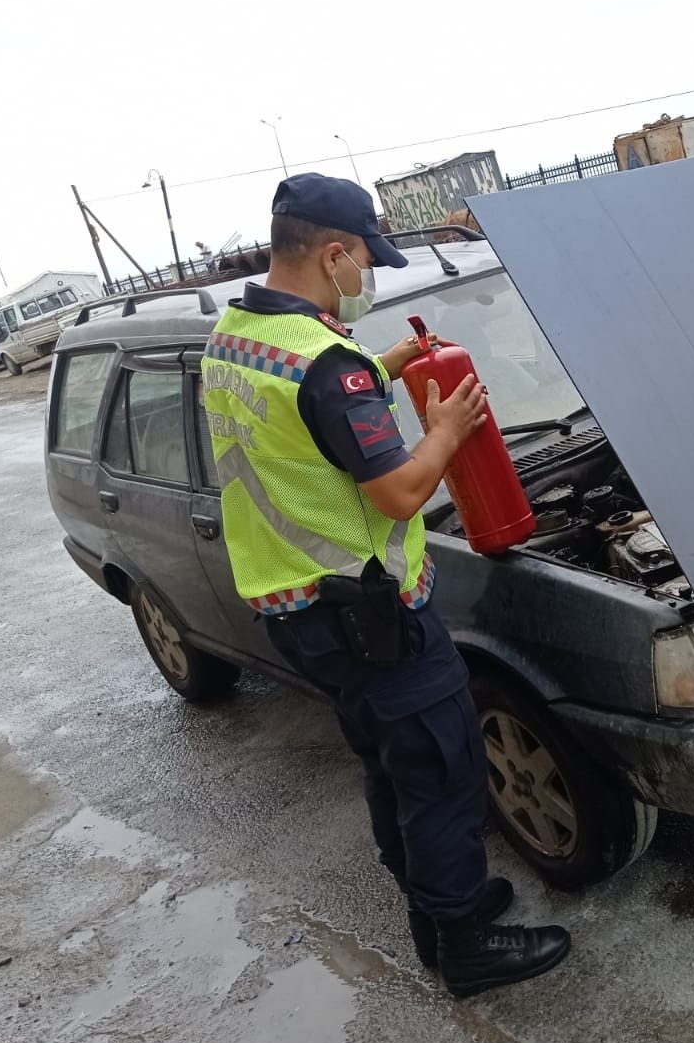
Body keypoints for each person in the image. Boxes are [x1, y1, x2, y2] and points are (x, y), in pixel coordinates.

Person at [200, 173, 570, 997]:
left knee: (389, 764)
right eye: (365, 256)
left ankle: (435, 910)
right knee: (441, 769)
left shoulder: (236, 337)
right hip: (368, 609)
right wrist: (444, 431)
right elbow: (401, 492)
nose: (369, 273)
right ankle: (468, 941)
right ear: (334, 253)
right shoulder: (327, 366)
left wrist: (379, 361)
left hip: (298, 607)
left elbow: (299, 418)